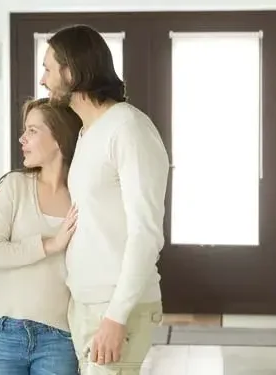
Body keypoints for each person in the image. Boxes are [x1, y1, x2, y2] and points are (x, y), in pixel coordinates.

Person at [40, 24, 169, 374]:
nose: (43, 80)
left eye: (48, 69)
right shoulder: (86, 132)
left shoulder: (128, 128)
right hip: (84, 301)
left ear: (71, 70)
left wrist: (116, 315)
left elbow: (146, 232)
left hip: (114, 307)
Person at [0, 97, 83, 375]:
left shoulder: (83, 196)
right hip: (3, 332)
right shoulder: (13, 186)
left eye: (33, 131)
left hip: (60, 337)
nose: (22, 139)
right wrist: (52, 244)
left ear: (60, 138)